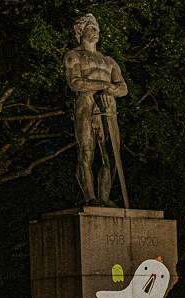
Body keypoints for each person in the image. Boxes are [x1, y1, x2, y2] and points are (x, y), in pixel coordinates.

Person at [64, 14, 128, 207]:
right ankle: (90, 197)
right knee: (86, 150)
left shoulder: (108, 61)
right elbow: (74, 82)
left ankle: (104, 196)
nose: (95, 31)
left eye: (97, 28)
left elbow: (123, 87)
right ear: (80, 31)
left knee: (112, 155)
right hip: (86, 103)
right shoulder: (74, 55)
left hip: (109, 106)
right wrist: (104, 85)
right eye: (91, 27)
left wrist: (111, 89)